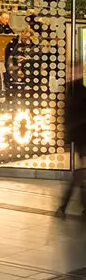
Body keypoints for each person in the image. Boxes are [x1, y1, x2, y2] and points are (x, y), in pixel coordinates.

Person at [61, 64, 86, 216]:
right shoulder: (76, 91)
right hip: (81, 136)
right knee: (81, 172)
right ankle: (65, 205)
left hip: (79, 136)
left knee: (81, 172)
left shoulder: (73, 91)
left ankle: (65, 205)